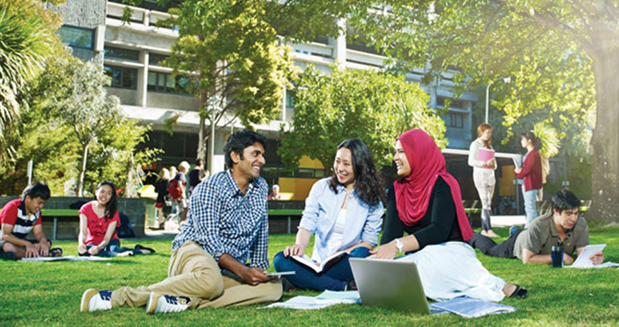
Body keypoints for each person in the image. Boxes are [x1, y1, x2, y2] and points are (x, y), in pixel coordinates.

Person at [80, 129, 282, 314]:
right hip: (194, 252)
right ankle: (118, 297)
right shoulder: (209, 188)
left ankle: (183, 302)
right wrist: (243, 271)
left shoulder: (260, 187)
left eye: (262, 155)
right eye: (256, 154)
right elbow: (209, 242)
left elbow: (261, 232)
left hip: (226, 268)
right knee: (211, 281)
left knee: (273, 289)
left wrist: (259, 271)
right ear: (236, 156)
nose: (262, 160)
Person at [369, 129, 526, 301]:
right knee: (396, 270)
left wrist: (397, 246)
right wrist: (379, 259)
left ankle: (497, 284)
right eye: (395, 152)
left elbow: (439, 230)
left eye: (401, 152)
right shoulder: (396, 190)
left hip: (450, 253)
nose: (395, 158)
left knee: (424, 263)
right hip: (418, 256)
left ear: (418, 153)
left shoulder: (443, 183)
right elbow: (391, 234)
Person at [273, 139, 385, 291]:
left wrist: (339, 255)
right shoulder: (321, 188)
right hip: (317, 262)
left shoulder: (373, 200)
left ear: (360, 166)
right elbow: (307, 223)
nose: (339, 168)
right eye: (337, 161)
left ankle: (303, 280)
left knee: (363, 254)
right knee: (280, 259)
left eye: (346, 164)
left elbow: (368, 242)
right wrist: (299, 246)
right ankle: (341, 286)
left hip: (345, 260)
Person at [468, 189, 603, 265]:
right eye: (569, 214)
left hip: (531, 235)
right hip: (517, 244)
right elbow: (527, 260)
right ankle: (472, 235)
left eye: (576, 213)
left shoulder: (580, 224)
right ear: (556, 211)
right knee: (490, 250)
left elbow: (581, 258)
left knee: (529, 233)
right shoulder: (539, 225)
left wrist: (594, 259)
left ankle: (516, 231)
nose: (573, 218)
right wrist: (558, 257)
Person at [77, 181, 154, 257]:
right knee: (88, 252)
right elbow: (83, 232)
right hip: (92, 241)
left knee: (112, 250)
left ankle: (134, 251)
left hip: (110, 240)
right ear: (96, 192)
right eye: (102, 192)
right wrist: (81, 245)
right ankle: (122, 253)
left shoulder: (113, 213)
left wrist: (99, 247)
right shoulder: (85, 208)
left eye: (109, 193)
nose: (104, 196)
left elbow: (107, 238)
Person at [0, 182, 61, 260]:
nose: (41, 206)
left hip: (19, 242)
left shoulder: (36, 212)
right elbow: (5, 236)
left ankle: (26, 253)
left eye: (43, 203)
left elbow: (38, 233)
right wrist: (27, 244)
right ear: (28, 199)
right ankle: (38, 254)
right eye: (39, 203)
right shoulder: (12, 208)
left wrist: (43, 242)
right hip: (4, 240)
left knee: (47, 242)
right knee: (8, 247)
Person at [468, 123, 499, 238]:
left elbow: (495, 164)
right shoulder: (475, 145)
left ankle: (485, 229)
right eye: (487, 132)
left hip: (490, 176)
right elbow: (471, 161)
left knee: (488, 203)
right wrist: (484, 163)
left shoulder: (489, 146)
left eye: (490, 132)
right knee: (485, 201)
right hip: (480, 176)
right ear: (481, 132)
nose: (489, 134)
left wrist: (492, 164)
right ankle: (488, 228)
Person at [515, 131, 543, 228]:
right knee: (529, 207)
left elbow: (527, 170)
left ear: (529, 141)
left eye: (523, 139)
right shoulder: (530, 153)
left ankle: (528, 229)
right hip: (527, 183)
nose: (521, 141)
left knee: (530, 208)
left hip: (530, 183)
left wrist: (518, 173)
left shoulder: (533, 154)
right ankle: (534, 228)